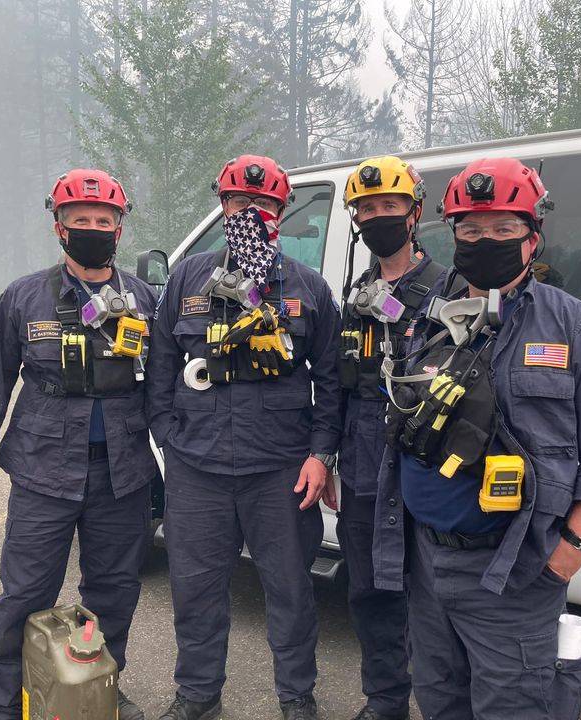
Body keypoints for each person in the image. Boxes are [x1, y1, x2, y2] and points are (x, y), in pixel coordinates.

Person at [373, 157, 581, 719]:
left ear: (532, 238)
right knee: (439, 699)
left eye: (503, 229)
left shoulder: (576, 328)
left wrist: (569, 556)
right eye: (470, 229)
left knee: (516, 707)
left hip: (514, 571)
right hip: (427, 563)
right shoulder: (427, 320)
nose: (484, 240)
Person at [0, 169, 157, 720]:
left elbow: (164, 385)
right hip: (43, 470)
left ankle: (100, 686)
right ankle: (4, 700)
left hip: (123, 471)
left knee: (113, 592)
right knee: (24, 594)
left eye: (103, 221)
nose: (93, 228)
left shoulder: (143, 298)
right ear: (59, 228)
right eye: (80, 220)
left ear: (119, 227)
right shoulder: (24, 297)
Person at [145, 155, 342, 720]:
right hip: (197, 469)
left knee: (290, 592)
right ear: (222, 207)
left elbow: (329, 381)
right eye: (238, 203)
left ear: (281, 213)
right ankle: (198, 695)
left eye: (264, 206)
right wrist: (168, 436)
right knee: (196, 592)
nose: (250, 213)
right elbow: (160, 363)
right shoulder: (187, 280)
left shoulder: (307, 288)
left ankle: (296, 698)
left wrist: (321, 454)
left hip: (280, 469)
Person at [336, 156, 447, 720]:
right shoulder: (356, 294)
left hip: (423, 464)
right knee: (370, 592)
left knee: (429, 596)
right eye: (367, 209)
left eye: (389, 206)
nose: (378, 217)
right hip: (361, 464)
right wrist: (326, 456)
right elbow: (338, 382)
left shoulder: (449, 289)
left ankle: (437, 703)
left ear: (415, 212)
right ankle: (384, 703)